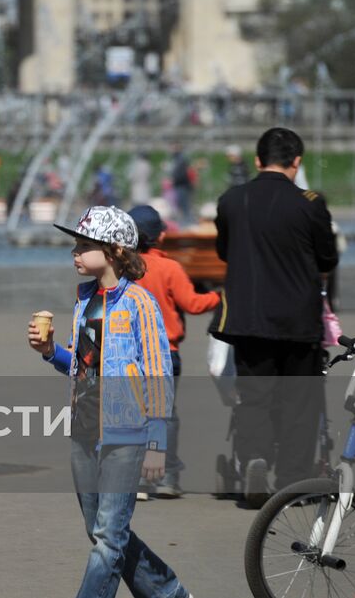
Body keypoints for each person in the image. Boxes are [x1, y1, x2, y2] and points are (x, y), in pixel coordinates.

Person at [27, 206, 189, 598]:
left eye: (85, 245)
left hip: (125, 431)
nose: (75, 253)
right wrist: (51, 351)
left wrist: (156, 443)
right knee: (102, 532)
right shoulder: (85, 300)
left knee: (107, 540)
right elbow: (82, 365)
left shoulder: (140, 303)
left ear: (115, 250)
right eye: (75, 245)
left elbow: (158, 373)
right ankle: (169, 593)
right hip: (83, 427)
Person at [213, 126, 339, 507]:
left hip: (250, 318)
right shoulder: (310, 203)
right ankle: (293, 481)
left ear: (257, 160)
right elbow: (327, 258)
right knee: (301, 401)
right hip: (298, 320)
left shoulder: (233, 200)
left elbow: (224, 251)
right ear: (296, 162)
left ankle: (254, 458)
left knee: (254, 396)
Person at [127, 204, 221, 499]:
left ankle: (139, 480)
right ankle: (166, 477)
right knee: (164, 414)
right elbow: (192, 304)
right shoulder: (170, 268)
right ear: (162, 237)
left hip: (130, 351)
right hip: (165, 352)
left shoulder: (122, 269)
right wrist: (218, 297)